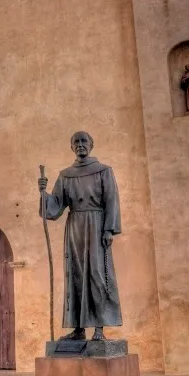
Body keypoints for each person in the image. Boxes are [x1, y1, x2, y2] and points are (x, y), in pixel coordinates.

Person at [38, 131, 122, 341]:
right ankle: (78, 328)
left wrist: (108, 229)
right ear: (72, 147)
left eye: (84, 141)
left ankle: (99, 329)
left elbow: (111, 200)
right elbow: (55, 206)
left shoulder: (104, 171)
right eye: (76, 142)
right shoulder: (65, 175)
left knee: (97, 274)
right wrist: (43, 195)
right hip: (75, 227)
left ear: (91, 145)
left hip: (96, 225)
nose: (80, 144)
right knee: (75, 275)